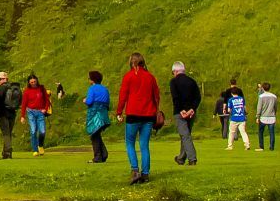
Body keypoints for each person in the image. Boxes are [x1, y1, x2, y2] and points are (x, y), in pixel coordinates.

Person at [118, 52, 161, 185]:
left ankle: (135, 170)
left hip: (133, 114)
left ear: (131, 62)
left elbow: (123, 96)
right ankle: (146, 173)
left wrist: (119, 111)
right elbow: (156, 96)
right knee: (144, 145)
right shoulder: (150, 77)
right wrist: (155, 109)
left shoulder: (128, 76)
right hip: (148, 115)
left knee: (130, 142)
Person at [168, 62, 203, 166]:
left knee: (185, 136)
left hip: (180, 113)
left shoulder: (173, 82)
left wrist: (181, 110)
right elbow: (198, 97)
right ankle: (181, 158)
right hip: (191, 113)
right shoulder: (192, 81)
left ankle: (192, 159)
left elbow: (175, 97)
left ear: (175, 71)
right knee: (186, 135)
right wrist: (192, 109)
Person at [84, 69, 111, 164]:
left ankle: (98, 157)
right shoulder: (105, 89)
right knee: (97, 134)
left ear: (92, 80)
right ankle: (103, 154)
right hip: (103, 113)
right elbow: (108, 103)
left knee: (93, 135)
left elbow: (89, 101)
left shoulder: (92, 89)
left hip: (95, 114)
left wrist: (85, 100)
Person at [23, 75, 51, 155]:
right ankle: (35, 150)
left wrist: (45, 109)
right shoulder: (27, 91)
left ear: (37, 81)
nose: (33, 83)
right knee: (33, 130)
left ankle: (40, 145)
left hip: (40, 112)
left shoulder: (41, 88)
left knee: (42, 131)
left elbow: (47, 100)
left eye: (34, 82)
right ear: (29, 82)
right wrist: (22, 116)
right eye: (31, 82)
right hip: (30, 111)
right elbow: (24, 104)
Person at [222, 82, 250, 149]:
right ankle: (247, 145)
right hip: (242, 118)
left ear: (231, 93)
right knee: (243, 132)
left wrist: (230, 111)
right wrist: (245, 112)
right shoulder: (242, 99)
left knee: (231, 132)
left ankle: (230, 146)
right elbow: (244, 108)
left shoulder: (230, 100)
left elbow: (229, 110)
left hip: (234, 118)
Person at [256, 83, 279, 151]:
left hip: (263, 117)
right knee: (272, 133)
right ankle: (271, 147)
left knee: (260, 132)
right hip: (272, 117)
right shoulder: (274, 96)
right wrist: (274, 113)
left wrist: (257, 116)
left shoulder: (261, 96)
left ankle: (261, 146)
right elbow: (275, 107)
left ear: (263, 88)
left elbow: (259, 107)